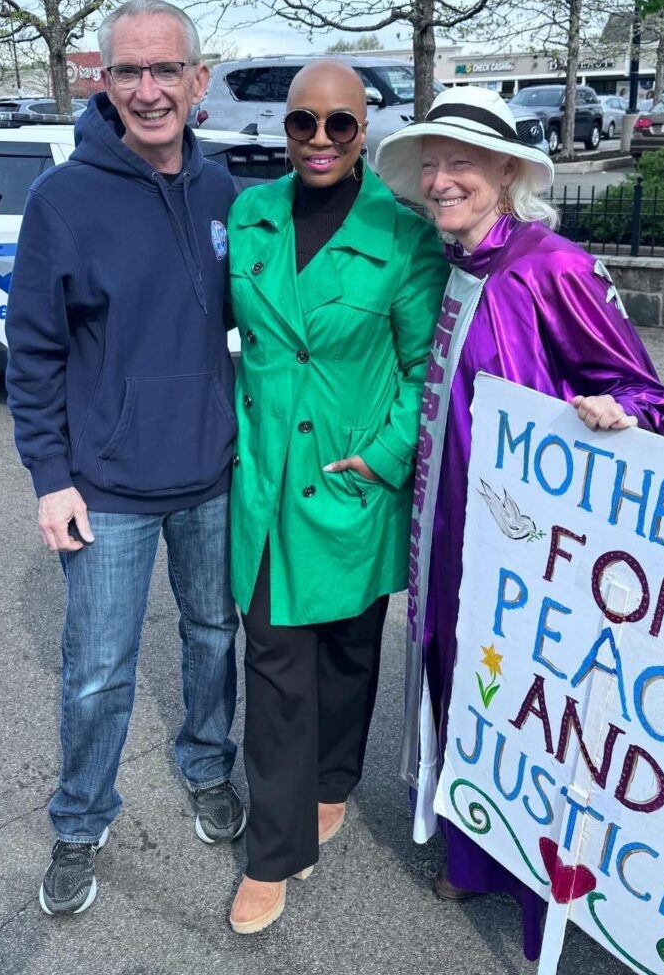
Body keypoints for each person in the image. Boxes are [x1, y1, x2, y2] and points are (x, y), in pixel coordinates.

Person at [375, 86, 664, 960]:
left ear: (508, 172)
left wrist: (610, 412)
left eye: (460, 162)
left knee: (534, 710)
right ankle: (474, 855)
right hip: (449, 535)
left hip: (533, 553)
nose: (441, 180)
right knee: (461, 685)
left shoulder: (553, 266)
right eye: (431, 163)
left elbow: (647, 399)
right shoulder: (453, 265)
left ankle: (542, 892)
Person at [5, 0, 244, 918]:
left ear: (198, 78)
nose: (148, 90)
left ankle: (207, 764)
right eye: (127, 71)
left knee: (214, 635)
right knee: (99, 667)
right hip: (104, 487)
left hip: (212, 477)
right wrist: (50, 477)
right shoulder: (62, 201)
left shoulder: (225, 191)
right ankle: (79, 818)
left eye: (165, 70)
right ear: (101, 79)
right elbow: (33, 352)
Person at [225, 59, 449, 935]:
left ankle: (333, 780)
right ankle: (276, 853)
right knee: (276, 661)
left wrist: (387, 457)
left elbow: (422, 363)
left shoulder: (403, 233)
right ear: (283, 128)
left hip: (354, 483)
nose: (319, 141)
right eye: (302, 124)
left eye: (340, 125)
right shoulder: (248, 214)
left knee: (350, 651)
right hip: (268, 485)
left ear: (367, 130)